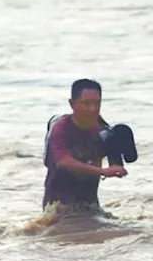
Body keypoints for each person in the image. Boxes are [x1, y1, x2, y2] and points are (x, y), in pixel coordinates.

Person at [42, 79, 129, 212]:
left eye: (97, 103)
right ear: (72, 104)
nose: (92, 109)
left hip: (90, 201)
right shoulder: (61, 128)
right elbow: (63, 162)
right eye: (86, 104)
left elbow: (114, 161)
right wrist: (103, 171)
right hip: (59, 203)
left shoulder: (103, 128)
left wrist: (116, 162)